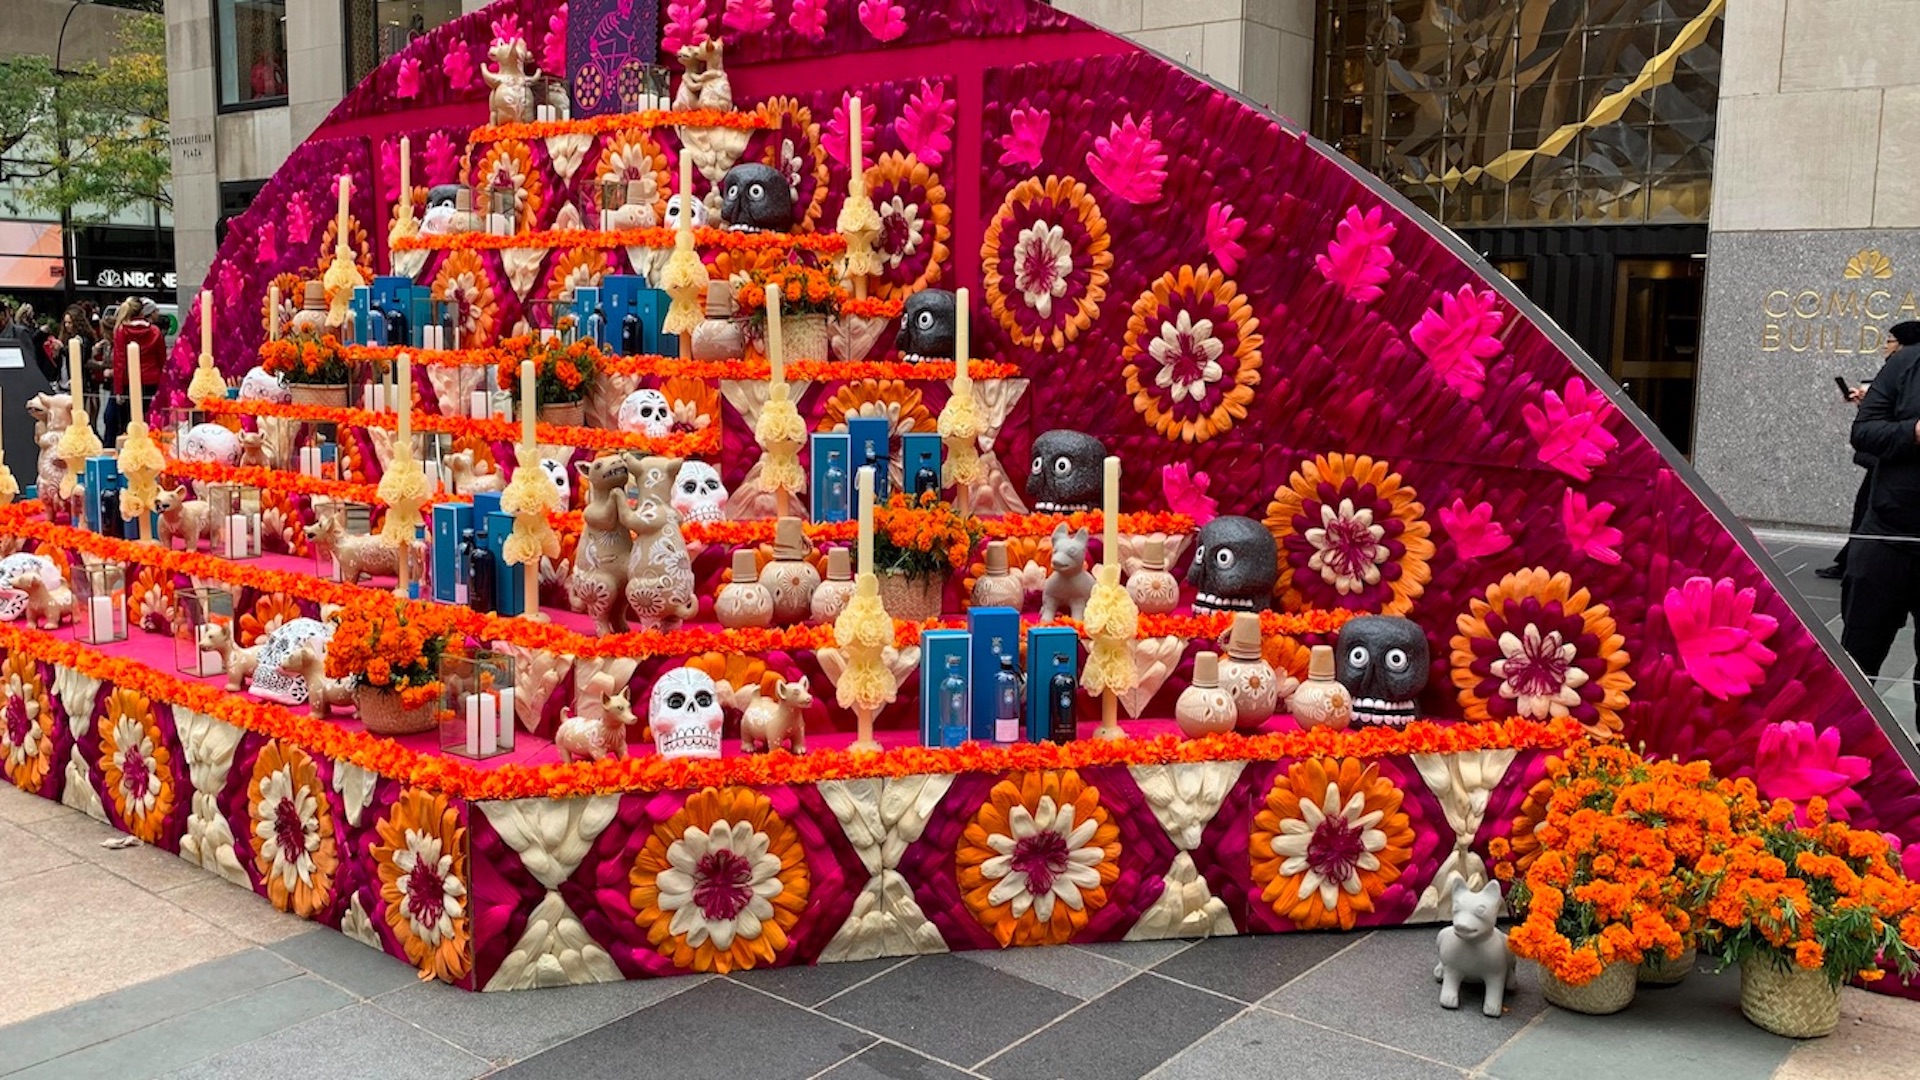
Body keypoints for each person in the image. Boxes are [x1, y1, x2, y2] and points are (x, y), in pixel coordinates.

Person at [1843, 327, 1920, 729]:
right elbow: (1863, 432)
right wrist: (1913, 432)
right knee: (1858, 656)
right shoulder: (1906, 363)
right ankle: (1842, 742)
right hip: (1885, 536)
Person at [1819, 321, 1920, 579]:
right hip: (1891, 493)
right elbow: (1867, 429)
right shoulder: (1898, 369)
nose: (1885, 345)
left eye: (1890, 340)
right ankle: (1850, 561)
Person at [108, 297, 164, 445]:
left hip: (130, 383)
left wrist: (118, 389)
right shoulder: (155, 331)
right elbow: (162, 360)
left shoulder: (122, 331)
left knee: (129, 425)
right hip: (152, 381)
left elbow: (119, 362)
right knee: (151, 423)